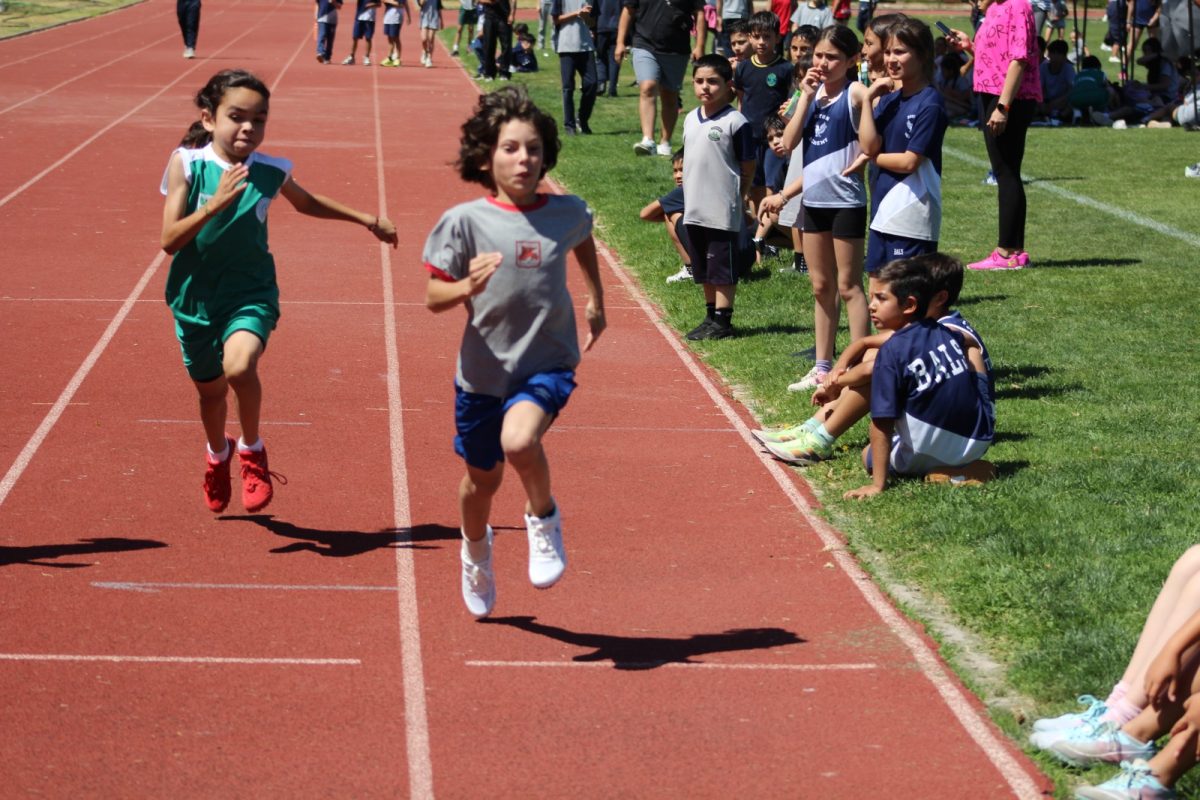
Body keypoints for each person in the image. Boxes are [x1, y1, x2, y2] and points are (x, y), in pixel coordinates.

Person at [160, 70, 398, 515]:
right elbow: (169, 240)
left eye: (260, 119)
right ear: (210, 120)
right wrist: (213, 205)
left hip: (250, 293)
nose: (249, 127)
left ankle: (252, 450)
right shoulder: (187, 165)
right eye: (237, 117)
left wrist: (367, 219)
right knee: (210, 395)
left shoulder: (270, 171)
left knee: (240, 364)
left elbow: (307, 202)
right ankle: (218, 454)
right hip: (195, 300)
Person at [421, 86, 605, 619]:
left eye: (533, 149)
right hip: (482, 375)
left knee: (520, 442)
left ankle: (543, 519)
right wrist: (464, 289)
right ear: (487, 156)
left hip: (546, 362)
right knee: (482, 481)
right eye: (510, 148)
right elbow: (434, 297)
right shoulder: (463, 222)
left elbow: (583, 236)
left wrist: (594, 295)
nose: (524, 159)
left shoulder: (566, 211)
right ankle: (475, 551)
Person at [755, 255, 990, 471]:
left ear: (937, 298)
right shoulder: (933, 326)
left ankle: (819, 440)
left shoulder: (951, 331)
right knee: (876, 357)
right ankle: (811, 429)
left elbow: (873, 370)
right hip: (970, 432)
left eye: (881, 298)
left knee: (879, 370)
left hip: (950, 422)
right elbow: (866, 342)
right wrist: (837, 370)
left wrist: (835, 383)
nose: (872, 305)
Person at [841, 256, 994, 499]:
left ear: (909, 305)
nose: (871, 306)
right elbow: (968, 341)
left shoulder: (891, 353)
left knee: (867, 454)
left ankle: (949, 471)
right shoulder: (945, 330)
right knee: (971, 351)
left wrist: (877, 485)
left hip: (932, 449)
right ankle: (964, 467)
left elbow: (881, 423)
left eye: (881, 298)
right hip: (979, 439)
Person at [781, 24, 870, 391]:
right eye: (819, 55)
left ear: (851, 60)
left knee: (848, 286)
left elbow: (873, 138)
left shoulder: (856, 93)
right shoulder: (812, 96)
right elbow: (787, 143)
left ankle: (858, 366)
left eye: (832, 57)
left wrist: (864, 156)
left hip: (846, 201)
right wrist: (804, 96)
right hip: (813, 201)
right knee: (820, 286)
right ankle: (821, 366)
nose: (823, 63)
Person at [949, 0, 1041, 271]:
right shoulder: (995, 9)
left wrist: (1003, 107)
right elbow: (997, 53)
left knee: (1006, 171)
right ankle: (1012, 250)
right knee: (1005, 170)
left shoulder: (1017, 6)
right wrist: (969, 46)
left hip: (1008, 99)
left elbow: (1019, 59)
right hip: (994, 94)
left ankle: (1008, 252)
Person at [858, 17, 948, 287]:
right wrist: (867, 100)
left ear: (922, 56)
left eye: (900, 51)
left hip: (911, 212)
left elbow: (909, 161)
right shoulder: (889, 99)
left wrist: (874, 158)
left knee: (904, 295)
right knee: (877, 290)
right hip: (882, 210)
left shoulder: (930, 104)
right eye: (887, 52)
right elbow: (868, 144)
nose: (891, 59)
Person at [681, 54, 756, 340]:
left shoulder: (736, 122)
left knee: (721, 264)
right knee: (702, 265)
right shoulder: (690, 118)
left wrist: (740, 194)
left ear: (728, 85)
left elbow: (747, 164)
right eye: (699, 81)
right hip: (695, 206)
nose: (705, 87)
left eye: (713, 81)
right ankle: (710, 314)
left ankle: (724, 320)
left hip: (721, 207)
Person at [615, 0, 707, 156]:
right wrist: (620, 42)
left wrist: (700, 45)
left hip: (677, 49)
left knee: (670, 95)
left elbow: (699, 13)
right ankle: (648, 140)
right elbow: (628, 10)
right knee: (647, 87)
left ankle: (665, 141)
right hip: (644, 44)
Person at [735, 11, 796, 215]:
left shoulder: (785, 68)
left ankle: (772, 235)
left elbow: (791, 102)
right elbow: (741, 101)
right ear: (750, 37)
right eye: (756, 36)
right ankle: (757, 231)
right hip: (750, 136)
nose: (761, 42)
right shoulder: (743, 68)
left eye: (767, 37)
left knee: (773, 183)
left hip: (775, 138)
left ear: (777, 38)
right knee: (753, 185)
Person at [639, 149, 695, 283]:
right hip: (742, 257)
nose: (678, 175)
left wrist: (668, 214)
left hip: (720, 262)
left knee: (670, 213)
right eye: (675, 171)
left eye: (682, 169)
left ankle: (691, 269)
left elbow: (644, 214)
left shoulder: (684, 191)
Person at [553, 0, 598, 134]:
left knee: (592, 84)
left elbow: (592, 23)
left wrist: (587, 17)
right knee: (568, 88)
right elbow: (556, 20)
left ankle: (582, 120)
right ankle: (569, 125)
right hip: (566, 46)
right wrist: (577, 13)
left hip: (586, 46)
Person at [1038, 38, 1076, 122]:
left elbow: (1072, 89)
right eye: (1052, 53)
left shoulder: (1068, 68)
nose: (1054, 57)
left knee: (1074, 100)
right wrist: (1042, 103)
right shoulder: (1043, 67)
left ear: (1064, 56)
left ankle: (1061, 116)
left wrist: (1060, 100)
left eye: (1058, 54)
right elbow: (1039, 88)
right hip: (1046, 101)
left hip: (1063, 101)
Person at [479, 0, 517, 81]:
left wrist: (512, 14)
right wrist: (490, 1)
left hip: (504, 17)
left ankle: (504, 73)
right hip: (490, 17)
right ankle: (489, 73)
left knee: (506, 45)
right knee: (489, 45)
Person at [594, 0, 623, 96]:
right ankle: (612, 88)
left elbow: (593, 7)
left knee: (600, 56)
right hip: (617, 26)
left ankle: (601, 82)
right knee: (615, 59)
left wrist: (591, 27)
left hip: (601, 25)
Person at [343, 0, 381, 64]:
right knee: (355, 37)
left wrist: (371, 5)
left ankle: (367, 57)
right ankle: (351, 56)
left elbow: (379, 4)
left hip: (370, 19)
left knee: (368, 38)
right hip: (359, 17)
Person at [380, 0, 415, 66]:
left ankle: (398, 58)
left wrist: (408, 16)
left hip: (396, 16)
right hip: (387, 16)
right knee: (389, 38)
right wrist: (392, 2)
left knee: (396, 37)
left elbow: (403, 4)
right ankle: (390, 57)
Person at [418, 0, 442, 67]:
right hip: (424, 18)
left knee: (431, 38)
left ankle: (429, 58)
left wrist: (441, 20)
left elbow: (439, 8)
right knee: (424, 39)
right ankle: (425, 51)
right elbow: (420, 4)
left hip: (434, 17)